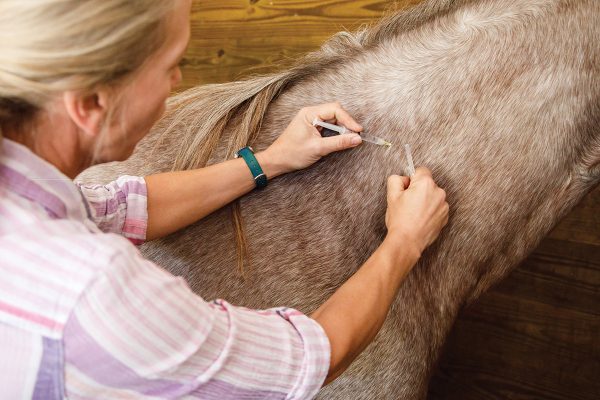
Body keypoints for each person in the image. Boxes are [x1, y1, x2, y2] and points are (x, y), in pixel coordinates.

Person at [0, 0, 449, 398]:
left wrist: (270, 161)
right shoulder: (94, 291)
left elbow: (119, 206)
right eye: (171, 65)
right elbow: (310, 358)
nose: (177, 80)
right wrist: (405, 241)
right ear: (92, 101)